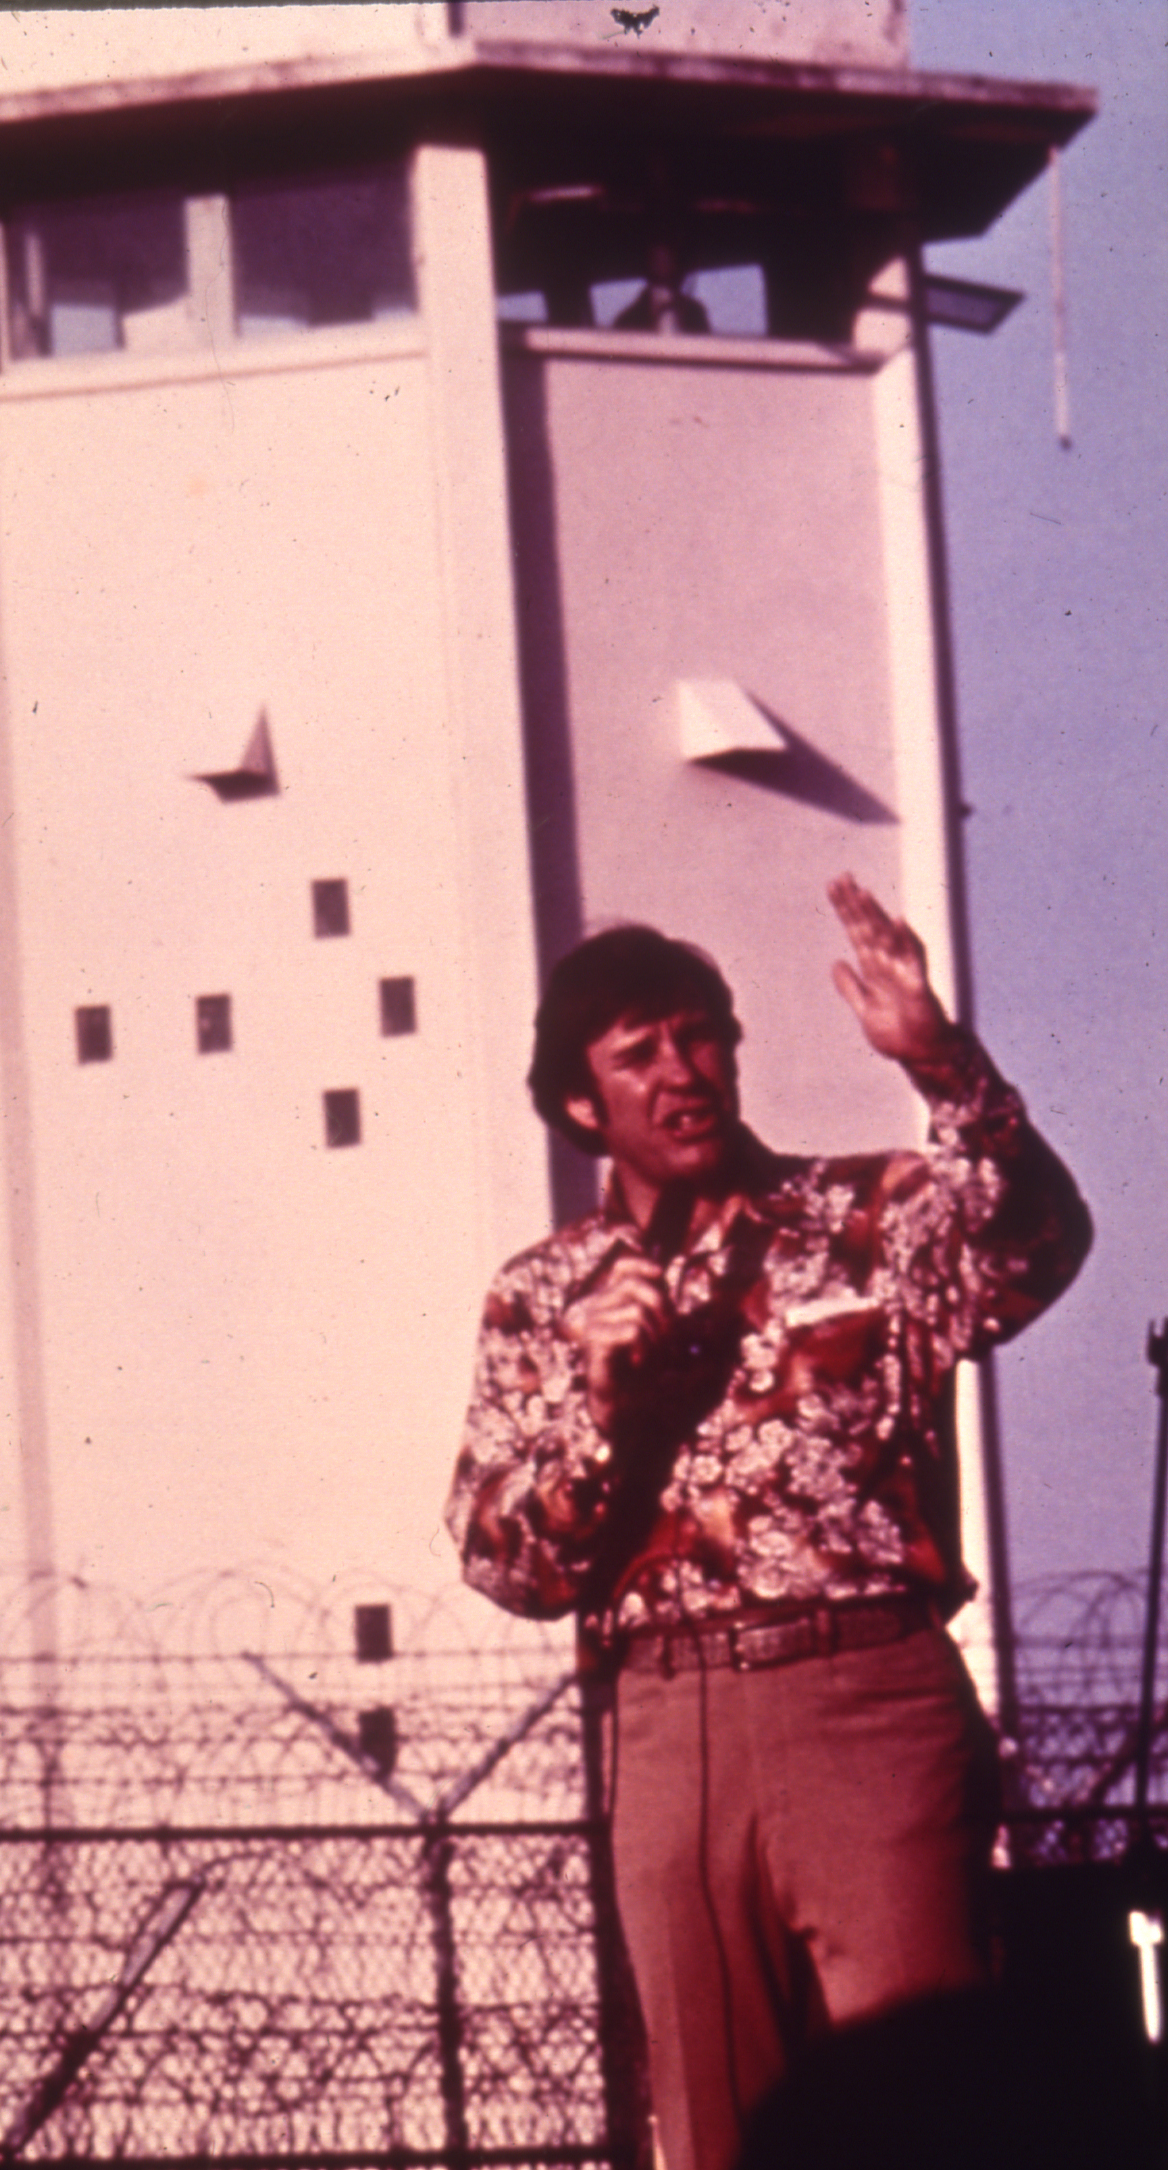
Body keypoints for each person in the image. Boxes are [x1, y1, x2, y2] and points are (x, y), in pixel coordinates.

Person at [445, 876, 1091, 2170]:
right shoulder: (541, 1297)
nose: (682, 1070)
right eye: (639, 1052)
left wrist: (939, 1060)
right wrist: (592, 1407)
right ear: (583, 1102)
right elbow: (504, 1559)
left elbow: (1036, 1244)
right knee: (718, 2131)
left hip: (864, 1697)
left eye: (701, 1036)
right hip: (665, 1729)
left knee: (929, 2112)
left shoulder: (871, 1215)